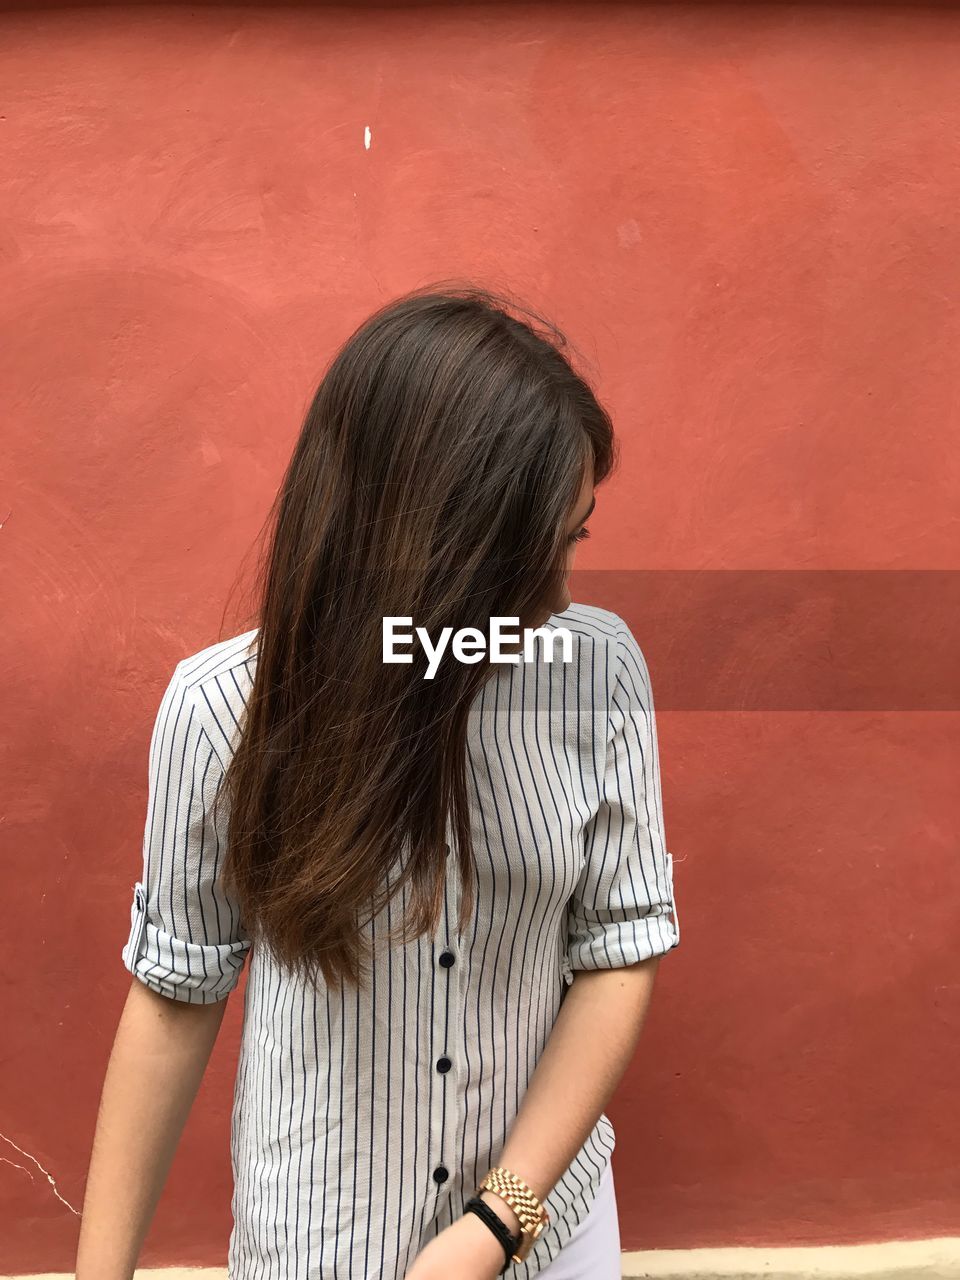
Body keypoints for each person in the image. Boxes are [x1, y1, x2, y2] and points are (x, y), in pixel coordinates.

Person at [76, 283, 681, 1280]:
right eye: (523, 557)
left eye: (573, 541)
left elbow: (619, 945)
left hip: (548, 1235)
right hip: (317, 1243)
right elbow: (175, 993)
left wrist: (498, 1222)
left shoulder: (595, 671)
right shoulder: (224, 712)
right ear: (427, 546)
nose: (560, 593)